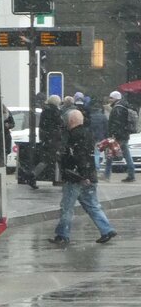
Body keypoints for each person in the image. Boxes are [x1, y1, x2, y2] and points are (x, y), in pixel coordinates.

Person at [50, 109, 117, 245]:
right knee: (92, 205)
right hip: (89, 176)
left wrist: (80, 174)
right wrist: (88, 175)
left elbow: (79, 156)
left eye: (67, 120)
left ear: (71, 121)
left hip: (76, 177)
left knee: (67, 207)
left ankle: (62, 235)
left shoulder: (73, 136)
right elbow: (88, 156)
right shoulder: (88, 133)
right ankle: (107, 229)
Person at [29, 94, 63, 187]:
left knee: (46, 160)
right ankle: (65, 179)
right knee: (58, 159)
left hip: (46, 139)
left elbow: (43, 126)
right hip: (54, 140)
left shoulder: (45, 111)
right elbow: (60, 125)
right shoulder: (56, 112)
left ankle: (33, 175)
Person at [107, 90, 136, 182]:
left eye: (111, 98)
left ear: (116, 98)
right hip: (124, 135)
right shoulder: (123, 106)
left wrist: (113, 135)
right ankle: (131, 174)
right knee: (127, 155)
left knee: (110, 155)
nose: (109, 99)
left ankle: (106, 175)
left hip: (118, 136)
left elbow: (116, 124)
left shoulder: (117, 108)